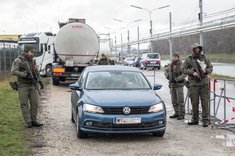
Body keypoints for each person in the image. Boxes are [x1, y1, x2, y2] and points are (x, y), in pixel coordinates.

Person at [11, 44, 44, 128]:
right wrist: (25, 75)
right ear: (26, 51)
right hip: (23, 85)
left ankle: (33, 120)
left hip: (32, 85)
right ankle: (28, 122)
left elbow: (36, 72)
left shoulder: (32, 61)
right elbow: (14, 71)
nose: (32, 53)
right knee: (24, 104)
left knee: (34, 104)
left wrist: (39, 81)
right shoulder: (18, 60)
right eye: (31, 51)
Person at [182, 43, 213, 127]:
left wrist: (205, 71)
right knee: (194, 102)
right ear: (193, 49)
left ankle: (205, 120)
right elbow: (183, 69)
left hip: (203, 83)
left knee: (205, 102)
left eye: (198, 48)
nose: (197, 50)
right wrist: (192, 72)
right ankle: (195, 119)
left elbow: (210, 67)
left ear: (200, 49)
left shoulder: (204, 57)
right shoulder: (189, 59)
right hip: (193, 84)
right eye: (195, 49)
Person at [164, 53, 186, 120]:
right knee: (174, 100)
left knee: (180, 100)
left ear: (178, 57)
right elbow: (165, 70)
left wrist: (176, 79)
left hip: (179, 85)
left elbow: (184, 74)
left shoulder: (181, 65)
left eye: (175, 57)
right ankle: (177, 113)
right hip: (172, 85)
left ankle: (182, 114)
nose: (174, 58)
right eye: (173, 57)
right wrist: (167, 76)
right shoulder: (171, 64)